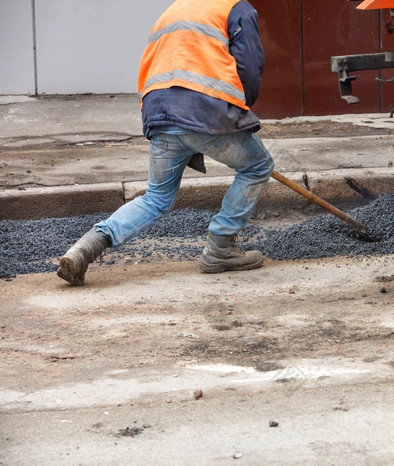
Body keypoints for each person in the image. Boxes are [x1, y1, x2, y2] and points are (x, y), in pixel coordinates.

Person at [57, 0, 274, 286]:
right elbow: (249, 68)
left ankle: (85, 247)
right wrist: (238, 114)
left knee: (155, 198)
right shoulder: (236, 8)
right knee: (258, 166)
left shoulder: (174, 10)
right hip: (204, 111)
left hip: (160, 112)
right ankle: (220, 248)